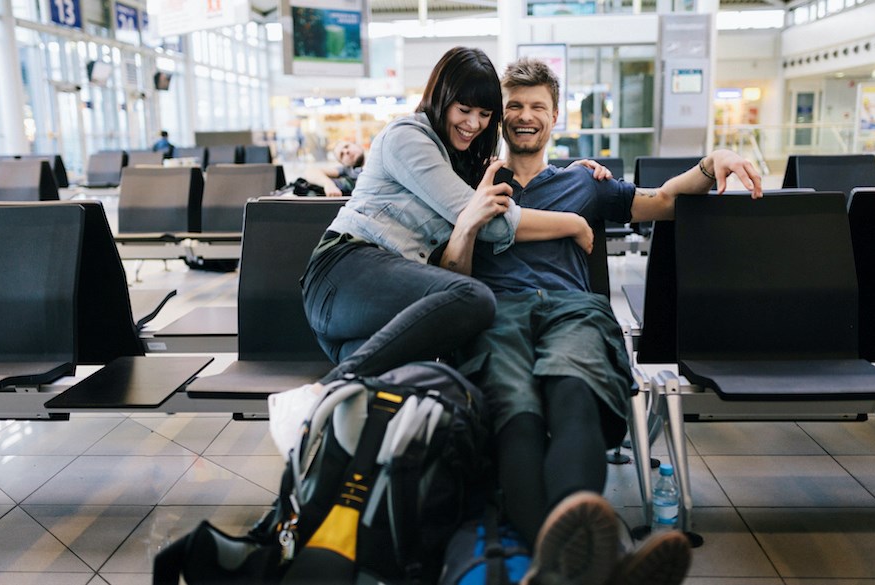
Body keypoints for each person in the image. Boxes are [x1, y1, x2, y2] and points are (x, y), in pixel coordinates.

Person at [444, 58, 763, 585]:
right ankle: (590, 565)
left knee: (574, 393)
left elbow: (662, 202)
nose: (525, 116)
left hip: (573, 309)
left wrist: (713, 163)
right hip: (494, 310)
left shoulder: (583, 183)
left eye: (538, 107)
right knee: (514, 409)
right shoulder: (466, 182)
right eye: (515, 106)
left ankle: (560, 564)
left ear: (556, 118)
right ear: (500, 115)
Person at [300, 46, 595, 385]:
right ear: (441, 97)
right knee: (474, 299)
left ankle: (327, 407)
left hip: (371, 314)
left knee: (404, 382)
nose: (473, 124)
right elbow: (493, 224)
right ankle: (317, 396)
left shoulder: (460, 161)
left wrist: (571, 172)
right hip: (345, 275)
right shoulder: (407, 137)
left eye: (485, 114)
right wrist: (573, 223)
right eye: (464, 109)